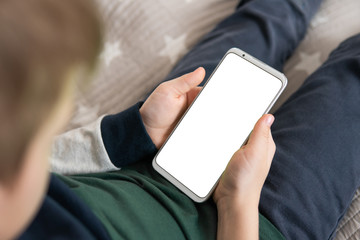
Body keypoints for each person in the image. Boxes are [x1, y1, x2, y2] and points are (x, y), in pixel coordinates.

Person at [1, 0, 359, 239]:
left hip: (154, 155)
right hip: (261, 219)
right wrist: (239, 204)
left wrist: (134, 128)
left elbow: (52, 159)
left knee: (264, 19)